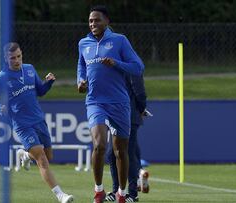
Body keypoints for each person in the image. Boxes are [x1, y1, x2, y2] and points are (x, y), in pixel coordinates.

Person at [0, 42, 74, 203]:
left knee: (48, 156)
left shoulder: (29, 69)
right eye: (12, 58)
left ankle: (25, 155)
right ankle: (60, 195)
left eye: (19, 56)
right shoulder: (0, 78)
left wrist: (49, 82)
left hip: (39, 119)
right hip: (22, 125)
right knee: (42, 158)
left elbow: (40, 91)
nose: (16, 60)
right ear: (6, 59)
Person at [77, 5, 144, 203]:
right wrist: (80, 81)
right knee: (98, 145)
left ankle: (122, 194)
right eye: (90, 21)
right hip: (95, 101)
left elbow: (138, 67)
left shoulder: (119, 40)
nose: (93, 24)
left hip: (119, 102)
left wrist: (117, 63)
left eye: (97, 20)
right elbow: (81, 64)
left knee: (120, 151)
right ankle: (98, 190)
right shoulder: (83, 43)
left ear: (107, 21)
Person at [105, 74, 150, 202]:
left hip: (129, 115)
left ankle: (132, 193)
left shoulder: (132, 65)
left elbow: (140, 92)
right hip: (115, 115)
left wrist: (141, 109)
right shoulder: (113, 66)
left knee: (126, 153)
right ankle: (117, 191)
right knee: (112, 154)